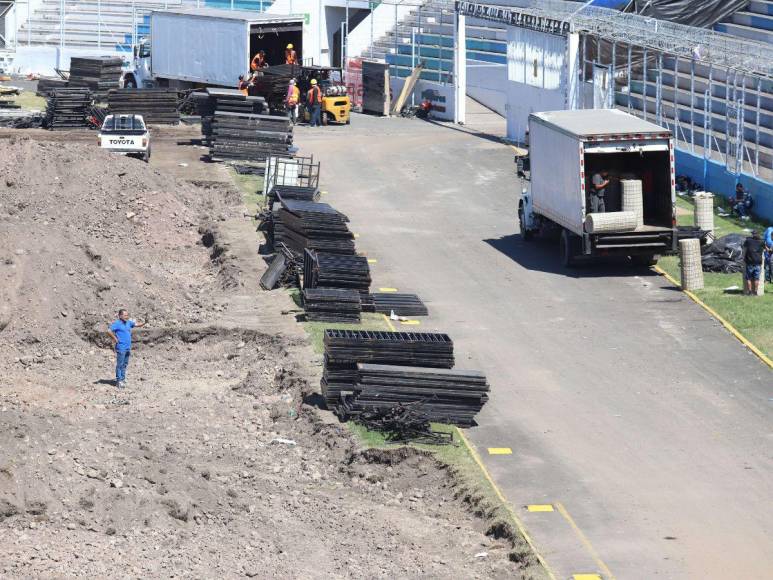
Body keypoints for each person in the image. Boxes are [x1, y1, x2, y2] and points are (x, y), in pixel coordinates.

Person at [107, 309, 146, 388]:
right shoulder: (117, 324)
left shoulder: (128, 323)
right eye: (125, 315)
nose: (126, 317)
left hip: (128, 347)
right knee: (120, 364)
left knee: (125, 364)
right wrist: (115, 338)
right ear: (120, 316)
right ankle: (119, 380)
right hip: (121, 347)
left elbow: (137, 325)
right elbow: (109, 331)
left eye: (127, 315)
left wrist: (145, 322)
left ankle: (123, 379)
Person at [742, 230, 764, 296]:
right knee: (756, 278)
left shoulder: (748, 241)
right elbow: (764, 248)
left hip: (750, 263)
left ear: (752, 235)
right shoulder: (761, 242)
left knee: (749, 278)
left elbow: (744, 247)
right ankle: (755, 292)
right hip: (758, 263)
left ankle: (750, 292)